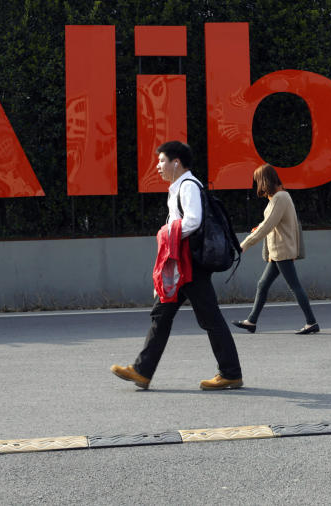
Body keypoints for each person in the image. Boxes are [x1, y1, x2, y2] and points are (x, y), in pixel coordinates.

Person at [111, 141, 244, 390]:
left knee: (210, 319)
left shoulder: (188, 186)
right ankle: (142, 371)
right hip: (180, 264)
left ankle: (231, 373)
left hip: (190, 265)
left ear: (176, 162)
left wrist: (166, 233)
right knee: (161, 315)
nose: (158, 166)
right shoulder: (177, 188)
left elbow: (193, 221)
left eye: (162, 161)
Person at [232, 164, 319, 335]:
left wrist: (243, 245)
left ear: (264, 181)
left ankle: (311, 322)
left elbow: (267, 225)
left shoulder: (279, 198)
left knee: (294, 286)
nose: (257, 185)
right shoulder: (281, 196)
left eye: (258, 181)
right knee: (263, 284)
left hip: (282, 250)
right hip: (279, 251)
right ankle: (251, 321)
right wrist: (259, 229)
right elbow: (273, 224)